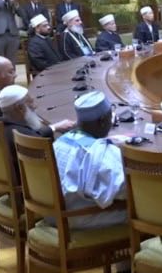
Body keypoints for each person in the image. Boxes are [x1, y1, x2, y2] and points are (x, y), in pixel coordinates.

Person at [51, 92, 130, 232]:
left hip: (51, 215)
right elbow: (123, 191)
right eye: (110, 118)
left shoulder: (58, 142)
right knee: (144, 211)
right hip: (79, 218)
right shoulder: (100, 153)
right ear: (102, 121)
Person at [0, 84, 74, 182]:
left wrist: (53, 127)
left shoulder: (4, 126)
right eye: (30, 102)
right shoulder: (25, 137)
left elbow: (35, 134)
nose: (35, 106)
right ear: (20, 108)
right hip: (38, 183)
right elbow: (39, 143)